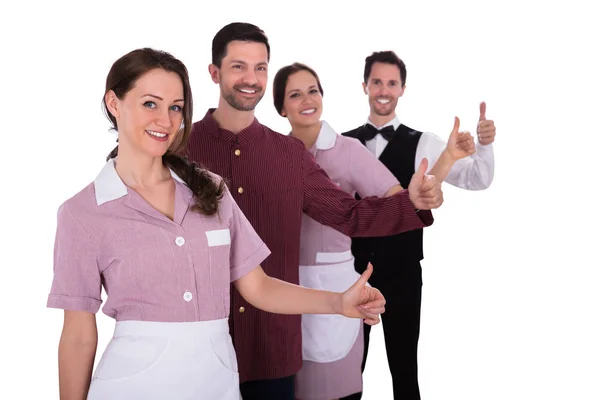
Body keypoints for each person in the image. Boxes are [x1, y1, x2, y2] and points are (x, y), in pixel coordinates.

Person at [46, 47, 390, 400]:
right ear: (114, 103)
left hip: (216, 385)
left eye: (175, 107)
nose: (165, 120)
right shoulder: (82, 213)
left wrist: (337, 302)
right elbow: (78, 334)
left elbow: (257, 287)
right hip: (132, 387)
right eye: (150, 103)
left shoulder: (210, 190)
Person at [185, 23, 444, 400]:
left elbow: (349, 215)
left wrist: (411, 202)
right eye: (239, 66)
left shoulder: (289, 156)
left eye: (260, 68)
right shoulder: (181, 148)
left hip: (272, 350)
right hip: (198, 348)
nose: (251, 78)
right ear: (214, 72)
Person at [272, 62, 476, 400]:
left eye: (313, 91)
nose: (307, 99)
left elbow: (404, 200)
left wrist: (444, 165)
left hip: (348, 280)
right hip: (281, 285)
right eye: (295, 94)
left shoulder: (348, 151)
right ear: (281, 107)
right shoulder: (272, 154)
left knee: (370, 376)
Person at [340, 50, 496, 400]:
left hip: (403, 274)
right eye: (377, 81)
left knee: (405, 373)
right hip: (348, 274)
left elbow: (477, 178)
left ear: (403, 89)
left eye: (391, 83)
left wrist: (484, 145)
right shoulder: (342, 143)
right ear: (364, 85)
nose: (384, 89)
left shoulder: (424, 142)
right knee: (346, 376)